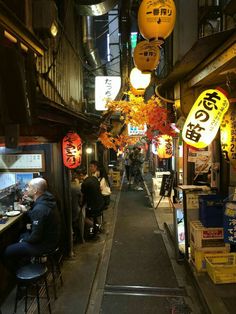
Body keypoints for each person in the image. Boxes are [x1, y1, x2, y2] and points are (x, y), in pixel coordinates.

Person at [3, 177, 61, 272]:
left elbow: (35, 238)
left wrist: (23, 240)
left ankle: (21, 279)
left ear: (35, 191)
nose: (26, 189)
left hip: (44, 245)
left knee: (7, 252)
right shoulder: (48, 199)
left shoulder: (40, 208)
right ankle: (26, 266)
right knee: (21, 235)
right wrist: (27, 212)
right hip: (52, 240)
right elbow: (40, 216)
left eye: (28, 187)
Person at [80, 166, 105, 239]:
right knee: (93, 217)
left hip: (94, 207)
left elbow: (83, 196)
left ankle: (94, 231)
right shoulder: (93, 178)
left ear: (81, 175)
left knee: (84, 216)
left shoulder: (85, 184)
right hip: (100, 203)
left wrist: (82, 204)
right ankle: (96, 229)